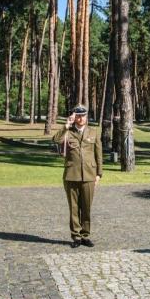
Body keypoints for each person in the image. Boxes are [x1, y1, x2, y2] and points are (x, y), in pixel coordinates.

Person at [52, 105, 103, 248]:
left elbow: (98, 155)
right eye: (78, 116)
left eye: (83, 116)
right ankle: (76, 237)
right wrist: (66, 125)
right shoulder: (68, 132)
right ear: (74, 117)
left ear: (87, 117)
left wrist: (99, 174)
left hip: (89, 175)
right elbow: (56, 140)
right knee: (73, 208)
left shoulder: (93, 132)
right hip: (71, 175)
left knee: (86, 207)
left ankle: (85, 235)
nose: (81, 118)